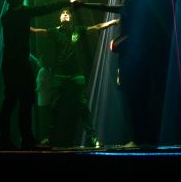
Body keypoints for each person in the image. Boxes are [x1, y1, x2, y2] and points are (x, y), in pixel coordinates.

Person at [0, 0, 81, 150]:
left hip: (9, 65)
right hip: (20, 65)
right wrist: (66, 2)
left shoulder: (6, 17)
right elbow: (45, 8)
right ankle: (27, 140)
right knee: (25, 101)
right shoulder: (23, 13)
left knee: (9, 102)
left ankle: (5, 141)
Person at [31, 8, 120, 148]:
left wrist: (112, 22)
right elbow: (39, 31)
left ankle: (92, 138)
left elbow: (96, 27)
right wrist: (26, 27)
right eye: (63, 13)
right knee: (54, 106)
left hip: (76, 74)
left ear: (71, 17)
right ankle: (48, 138)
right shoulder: (55, 31)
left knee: (83, 105)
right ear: (60, 18)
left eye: (67, 13)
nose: (65, 14)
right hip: (60, 75)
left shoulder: (78, 30)